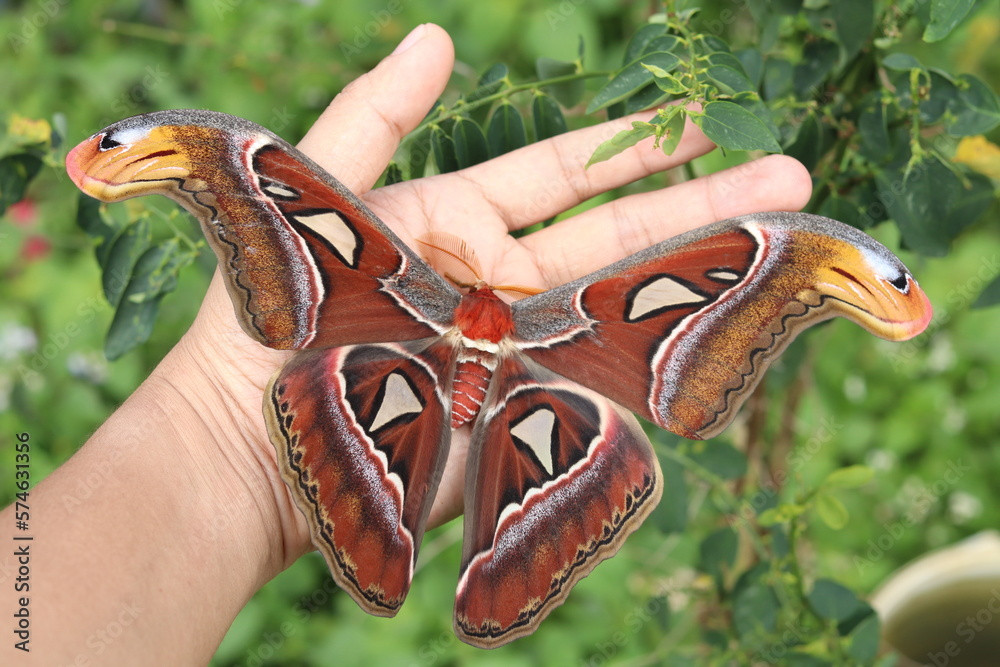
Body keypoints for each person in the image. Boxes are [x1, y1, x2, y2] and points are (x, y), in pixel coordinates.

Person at [1, 24, 811, 663]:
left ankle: (482, 561)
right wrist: (207, 157)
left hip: (418, 379)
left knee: (584, 437)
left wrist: (796, 262)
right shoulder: (544, 313)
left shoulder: (422, 289)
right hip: (466, 383)